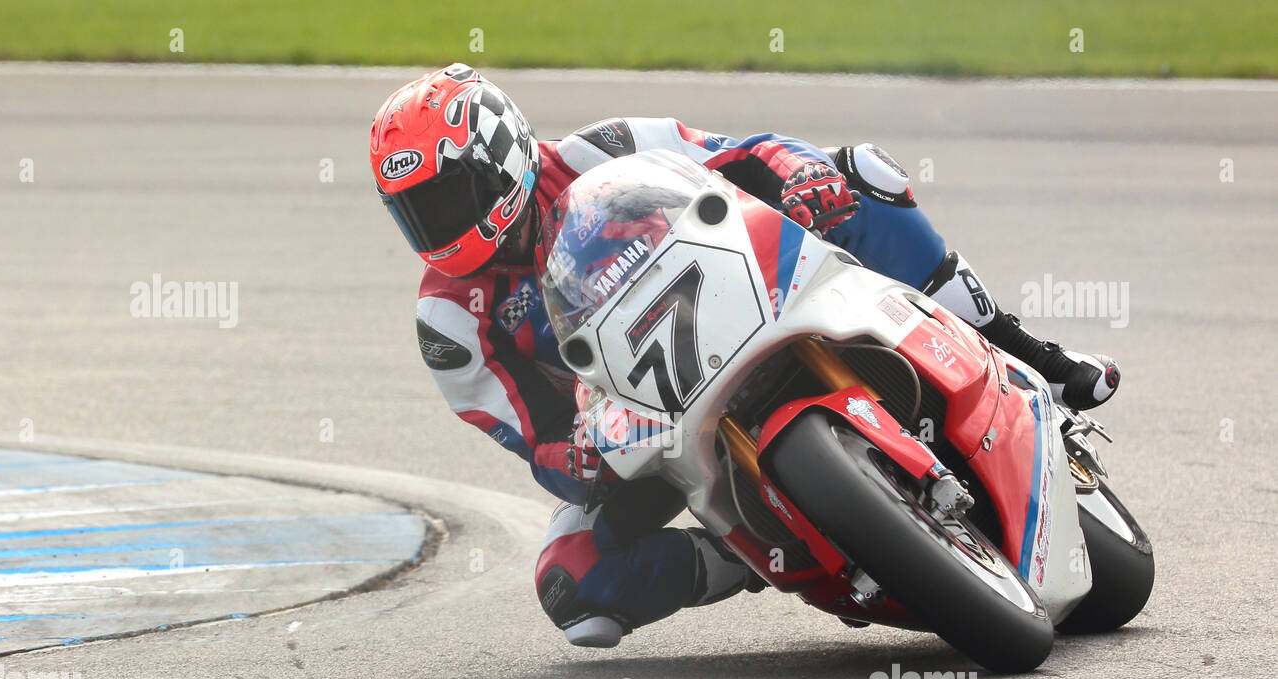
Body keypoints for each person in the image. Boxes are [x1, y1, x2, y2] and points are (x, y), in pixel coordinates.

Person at [370, 63, 1121, 648]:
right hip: (645, 422)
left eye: (445, 196)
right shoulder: (448, 320)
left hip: (753, 294)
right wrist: (576, 457)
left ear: (496, 157)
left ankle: (1029, 354)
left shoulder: (606, 149)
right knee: (572, 586)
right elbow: (530, 436)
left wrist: (803, 175)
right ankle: (750, 557)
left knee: (864, 174)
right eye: (415, 213)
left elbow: (746, 154)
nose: (434, 225)